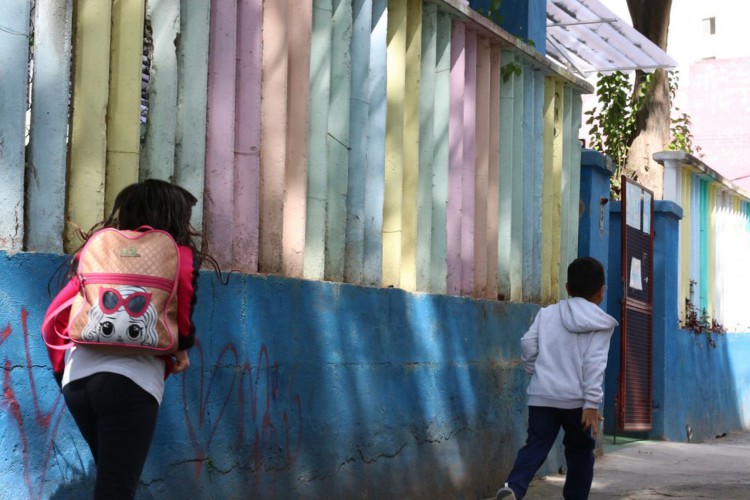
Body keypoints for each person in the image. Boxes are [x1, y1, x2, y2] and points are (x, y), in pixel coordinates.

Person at [42, 179, 218, 499]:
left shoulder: (96, 251)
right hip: (131, 384)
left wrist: (64, 376)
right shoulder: (179, 256)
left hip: (77, 382)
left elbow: (52, 320)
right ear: (175, 218)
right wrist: (182, 350)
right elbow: (184, 320)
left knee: (112, 478)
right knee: (117, 487)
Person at [496, 257, 618, 500]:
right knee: (581, 452)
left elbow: (527, 343)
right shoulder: (601, 324)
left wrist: (535, 370)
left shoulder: (547, 313)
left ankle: (514, 487)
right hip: (577, 403)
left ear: (567, 288)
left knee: (536, 445)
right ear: (602, 292)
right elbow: (595, 364)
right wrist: (592, 403)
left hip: (542, 397)